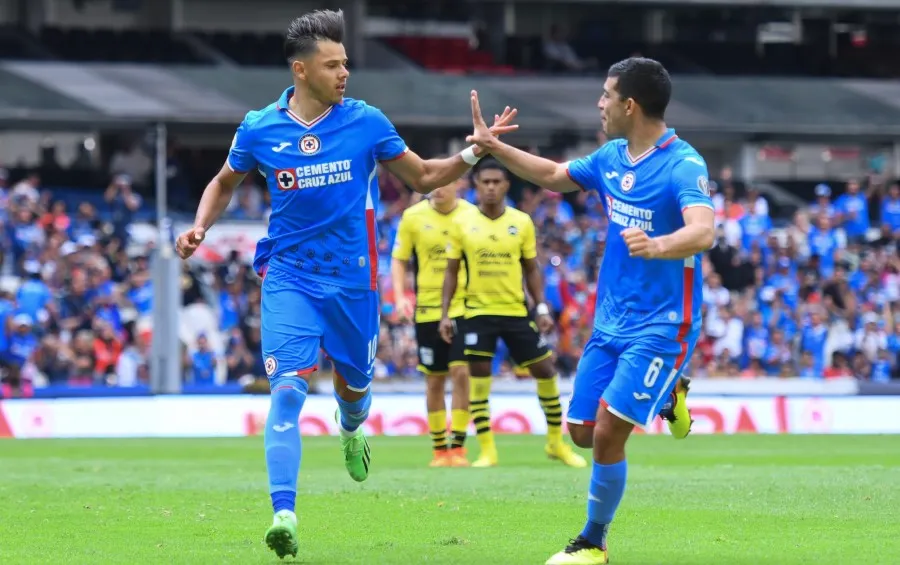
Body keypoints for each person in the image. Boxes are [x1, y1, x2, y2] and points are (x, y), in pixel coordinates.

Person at [174, 9, 518, 560]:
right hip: (289, 277)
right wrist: (199, 226)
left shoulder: (365, 121)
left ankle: (352, 425)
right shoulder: (260, 127)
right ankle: (283, 512)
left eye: (346, 63)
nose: (344, 74)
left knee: (354, 391)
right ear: (301, 70)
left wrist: (475, 150)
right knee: (287, 390)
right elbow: (223, 182)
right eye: (333, 65)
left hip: (354, 285)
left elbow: (425, 176)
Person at [465, 57, 715, 565]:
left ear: (629, 104)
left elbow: (704, 231)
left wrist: (659, 244)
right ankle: (672, 392)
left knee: (606, 432)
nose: (599, 104)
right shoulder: (611, 157)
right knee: (580, 431)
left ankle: (592, 541)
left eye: (605, 95)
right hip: (611, 320)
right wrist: (494, 147)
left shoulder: (684, 164)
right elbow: (556, 175)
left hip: (664, 322)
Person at [440, 159, 586, 469]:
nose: (491, 187)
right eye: (485, 182)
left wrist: (542, 307)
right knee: (479, 381)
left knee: (546, 371)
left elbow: (531, 269)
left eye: (497, 182)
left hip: (516, 312)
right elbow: (451, 273)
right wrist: (444, 314)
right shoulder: (462, 224)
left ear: (506, 186)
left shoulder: (521, 222)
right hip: (477, 313)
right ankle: (487, 450)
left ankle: (556, 443)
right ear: (477, 186)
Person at [391, 177, 473, 468]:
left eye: (445, 182)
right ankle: (440, 450)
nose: (438, 188)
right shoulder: (413, 217)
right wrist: (400, 296)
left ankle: (459, 447)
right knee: (435, 378)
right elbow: (399, 259)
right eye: (434, 182)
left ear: (459, 183)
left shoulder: (470, 215)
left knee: (462, 372)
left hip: (465, 306)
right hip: (426, 308)